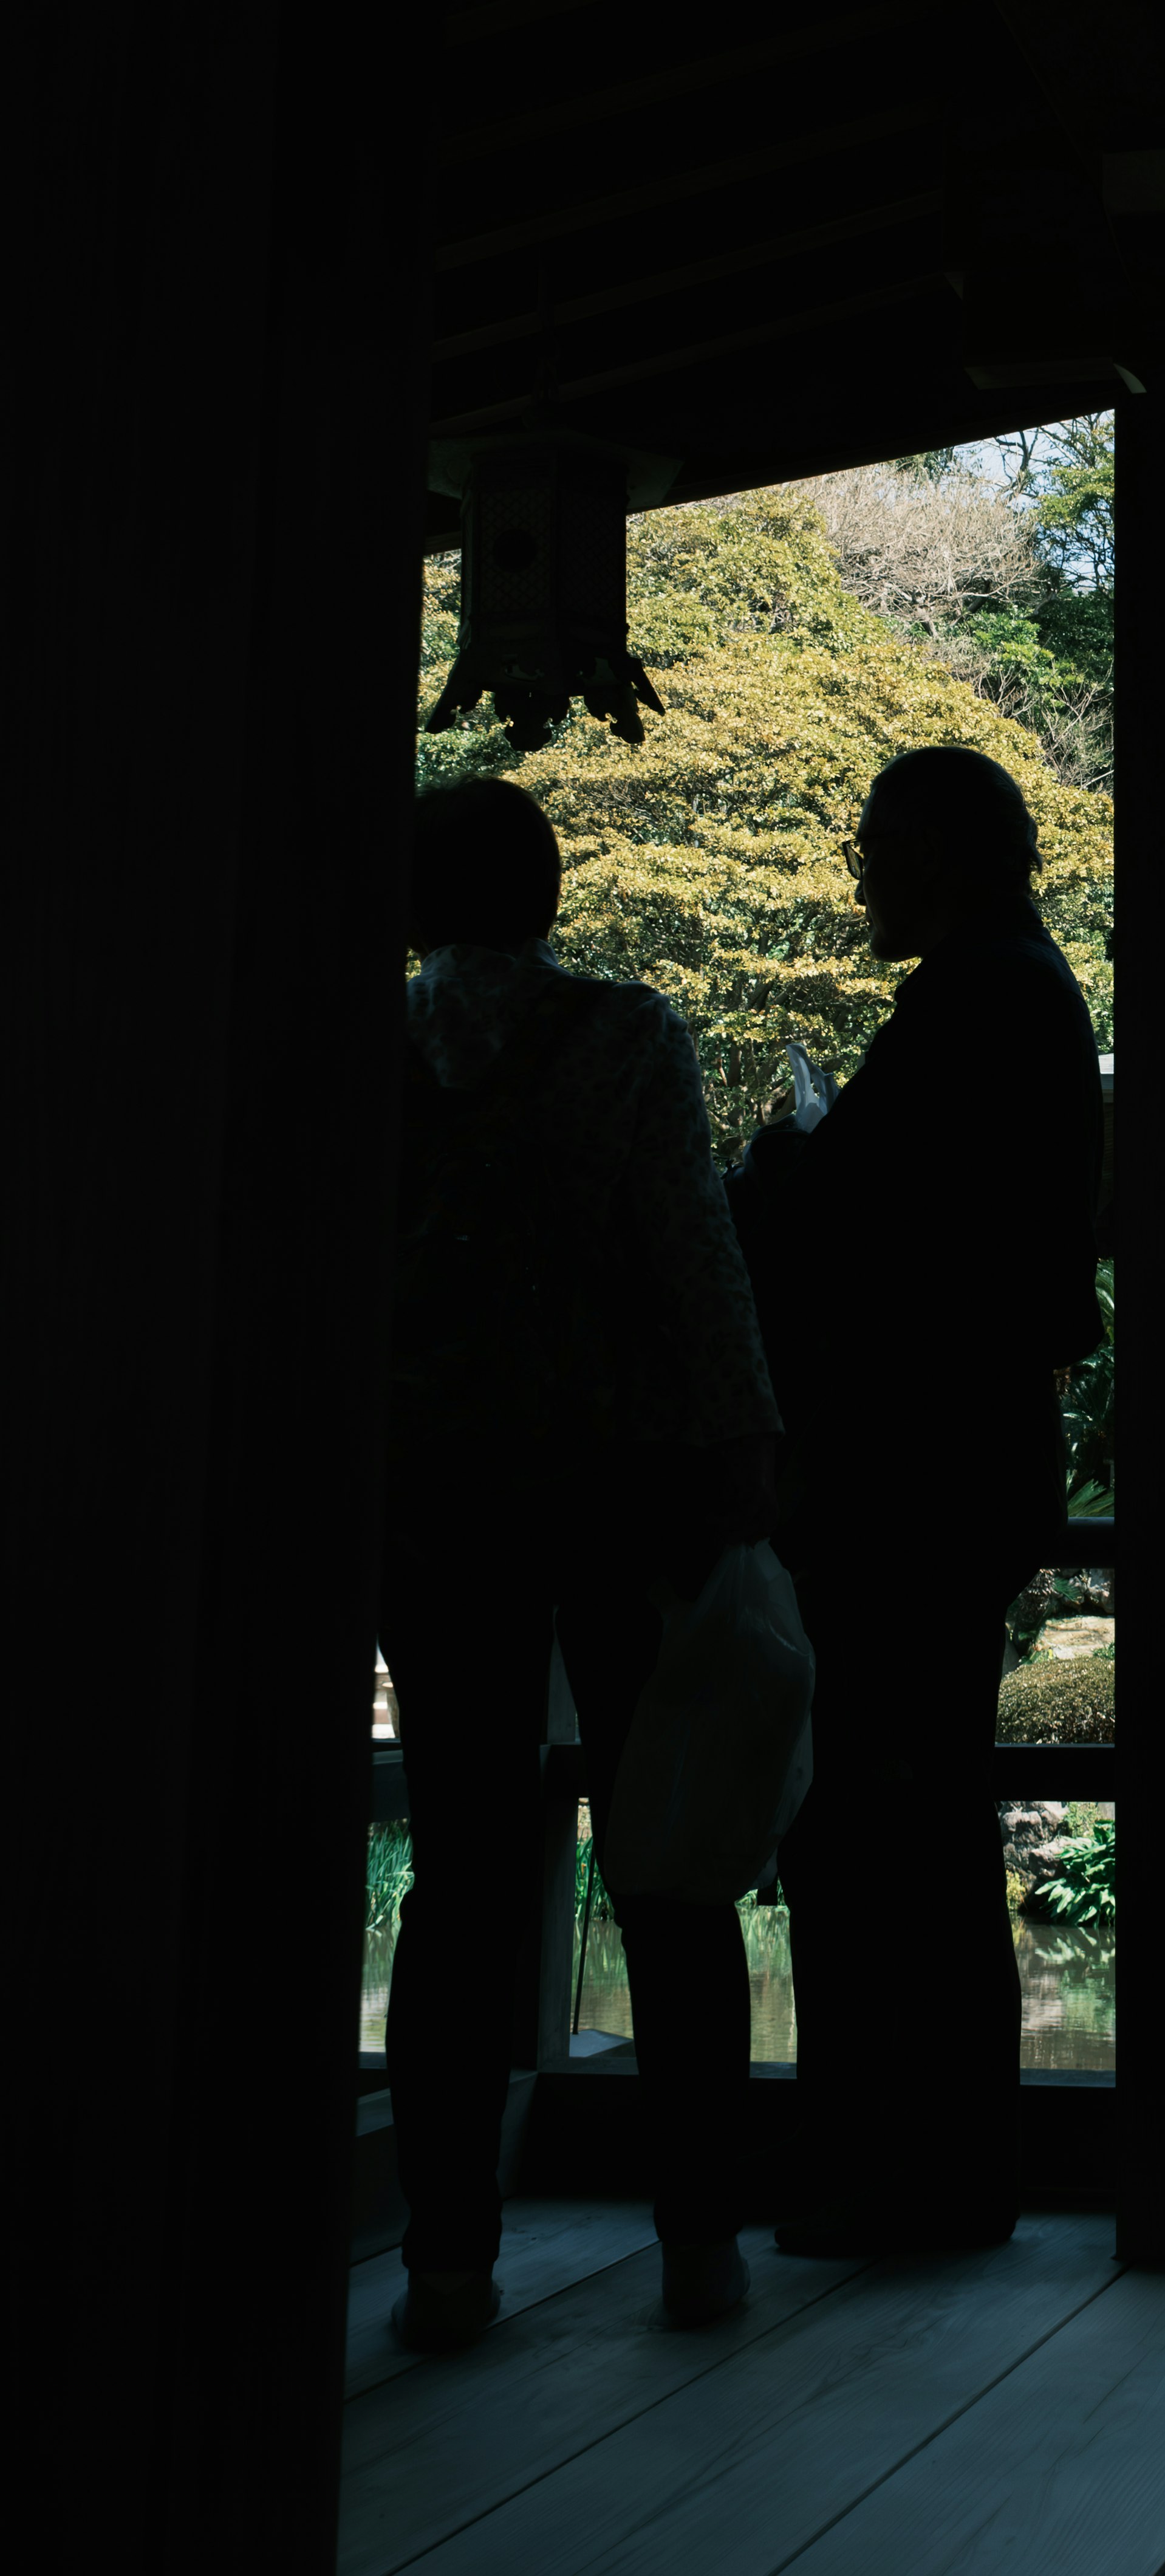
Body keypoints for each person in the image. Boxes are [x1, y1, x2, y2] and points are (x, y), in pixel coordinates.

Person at [380, 778, 781, 2349]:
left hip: (429, 1500)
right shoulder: (624, 1039)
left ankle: (445, 2262)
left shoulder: (370, 1052)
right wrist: (745, 1449)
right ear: (549, 897)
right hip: (623, 1496)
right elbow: (697, 1259)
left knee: (461, 1877)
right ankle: (699, 2245)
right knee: (673, 1864)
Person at [725, 746, 1104, 2253]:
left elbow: (846, 1215)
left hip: (907, 1481)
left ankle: (886, 2171)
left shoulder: (974, 1003)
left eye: (880, 845)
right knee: (930, 1826)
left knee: (878, 1833)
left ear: (946, 854)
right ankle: (944, 2172)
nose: (863, 872)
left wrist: (772, 1166)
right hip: (970, 1466)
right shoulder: (1029, 993)